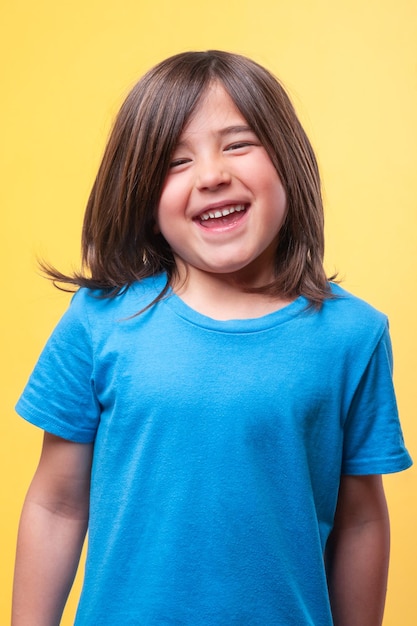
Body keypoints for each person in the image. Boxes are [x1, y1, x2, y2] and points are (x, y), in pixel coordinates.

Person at [12, 50, 412, 626]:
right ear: (146, 202)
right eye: (175, 162)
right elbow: (56, 504)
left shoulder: (354, 335)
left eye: (238, 144)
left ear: (288, 164)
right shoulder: (98, 322)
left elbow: (361, 520)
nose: (211, 174)